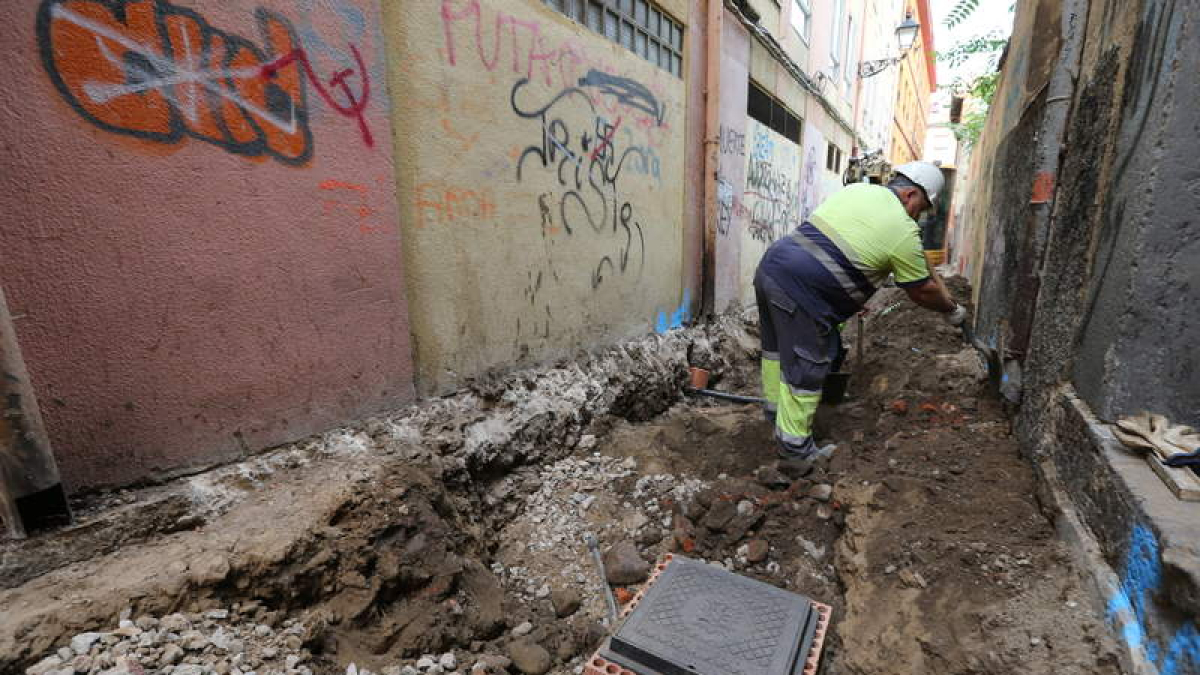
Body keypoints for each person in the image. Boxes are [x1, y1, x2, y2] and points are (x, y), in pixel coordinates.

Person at [754, 161, 967, 466]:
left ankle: (775, 416)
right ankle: (795, 454)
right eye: (921, 207)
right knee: (807, 364)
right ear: (909, 195)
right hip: (804, 292)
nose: (919, 216)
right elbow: (922, 291)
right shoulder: (903, 231)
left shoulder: (857, 190)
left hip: (772, 268)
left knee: (776, 352)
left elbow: (846, 241)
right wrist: (951, 309)